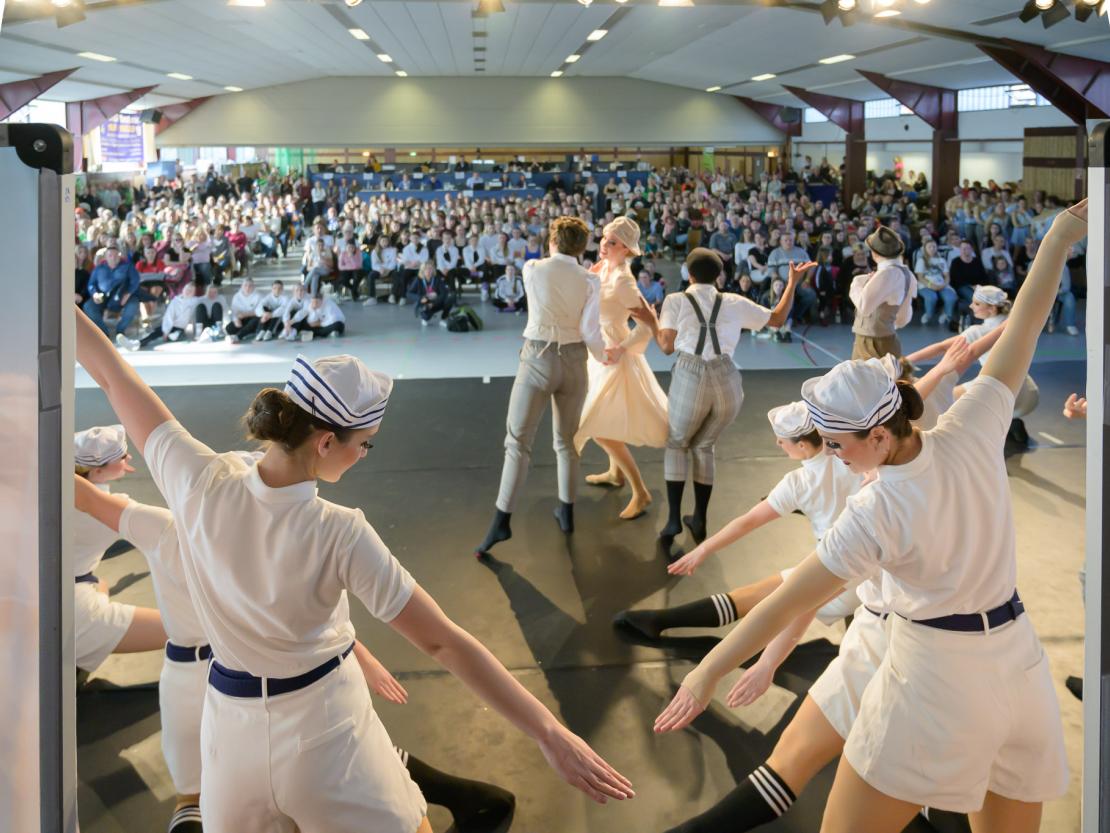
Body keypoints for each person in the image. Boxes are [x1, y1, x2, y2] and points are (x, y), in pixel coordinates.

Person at [74, 318, 635, 833]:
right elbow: (443, 640)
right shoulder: (339, 532)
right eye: (364, 443)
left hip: (230, 737)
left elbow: (108, 370)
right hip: (325, 733)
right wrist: (550, 733)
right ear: (325, 442)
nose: (364, 455)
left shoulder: (196, 479)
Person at [654, 201, 1087, 833]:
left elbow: (783, 603)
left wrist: (706, 672)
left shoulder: (876, 509)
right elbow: (1026, 321)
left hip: (936, 678)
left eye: (836, 444)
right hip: (1020, 670)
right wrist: (1062, 234)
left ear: (878, 438)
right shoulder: (973, 426)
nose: (834, 456)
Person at [632, 248, 810, 550]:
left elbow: (665, 346)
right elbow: (778, 319)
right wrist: (792, 283)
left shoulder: (676, 301)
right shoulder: (734, 301)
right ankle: (700, 518)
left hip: (691, 374)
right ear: (720, 276)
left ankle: (675, 518)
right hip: (728, 378)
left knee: (677, 443)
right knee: (705, 445)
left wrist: (651, 320)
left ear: (688, 275)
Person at [475, 216, 615, 557]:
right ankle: (566, 513)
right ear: (583, 247)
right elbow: (590, 329)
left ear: (552, 241)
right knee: (566, 443)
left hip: (538, 358)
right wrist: (603, 356)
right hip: (575, 362)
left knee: (518, 442)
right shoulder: (590, 280)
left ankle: (501, 521)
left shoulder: (533, 268)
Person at [573, 217, 668, 521]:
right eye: (604, 238)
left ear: (626, 249)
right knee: (607, 416)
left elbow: (646, 324)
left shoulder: (623, 280)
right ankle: (616, 474)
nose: (603, 244)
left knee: (597, 426)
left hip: (614, 354)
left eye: (612, 242)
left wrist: (621, 348)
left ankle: (640, 492)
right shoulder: (605, 269)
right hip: (600, 352)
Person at [72, 426, 167, 675]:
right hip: (74, 611)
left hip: (38, 593)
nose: (129, 459)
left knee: (100, 583)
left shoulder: (43, 493)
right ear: (98, 470)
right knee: (189, 629)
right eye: (122, 457)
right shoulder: (113, 509)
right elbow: (166, 528)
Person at [906, 284, 1039, 448]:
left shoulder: (978, 331)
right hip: (1028, 392)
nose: (970, 306)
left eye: (976, 304)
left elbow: (941, 347)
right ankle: (1010, 422)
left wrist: (905, 360)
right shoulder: (1016, 324)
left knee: (944, 397)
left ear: (991, 309)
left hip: (1002, 392)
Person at [848, 225, 916, 360]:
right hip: (888, 339)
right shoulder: (908, 275)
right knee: (887, 379)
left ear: (874, 253)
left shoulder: (886, 274)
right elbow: (904, 316)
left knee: (865, 380)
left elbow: (863, 306)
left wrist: (857, 282)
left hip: (871, 342)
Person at [84, 241, 141, 342]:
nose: (113, 257)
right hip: (103, 298)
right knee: (88, 306)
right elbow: (91, 284)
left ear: (119, 256)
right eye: (110, 255)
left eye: (115, 255)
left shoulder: (127, 266)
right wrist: (94, 294)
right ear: (105, 257)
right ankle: (104, 333)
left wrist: (128, 294)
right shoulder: (99, 269)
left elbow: (135, 280)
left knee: (134, 303)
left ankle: (120, 331)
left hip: (122, 296)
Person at [139, 281, 199, 349]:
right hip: (171, 325)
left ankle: (168, 338)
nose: (188, 292)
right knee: (156, 332)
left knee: (179, 337)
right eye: (187, 289)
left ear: (193, 293)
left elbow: (206, 299)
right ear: (183, 289)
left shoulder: (194, 301)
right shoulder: (176, 301)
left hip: (180, 329)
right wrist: (166, 331)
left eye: (191, 291)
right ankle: (140, 343)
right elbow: (169, 316)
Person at [407, 261, 455, 327]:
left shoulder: (437, 279)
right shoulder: (418, 280)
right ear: (423, 270)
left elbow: (444, 293)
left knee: (451, 296)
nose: (429, 270)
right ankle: (425, 317)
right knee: (426, 317)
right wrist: (420, 298)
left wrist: (433, 303)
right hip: (425, 304)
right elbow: (409, 293)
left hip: (436, 302)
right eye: (426, 268)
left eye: (431, 268)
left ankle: (444, 318)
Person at [225, 278, 263, 343]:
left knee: (254, 321)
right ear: (241, 286)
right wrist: (236, 320)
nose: (247, 288)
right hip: (241, 318)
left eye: (250, 286)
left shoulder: (258, 296)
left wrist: (246, 314)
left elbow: (260, 312)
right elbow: (234, 310)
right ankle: (247, 332)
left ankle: (239, 336)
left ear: (253, 287)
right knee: (229, 328)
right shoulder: (237, 296)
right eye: (245, 285)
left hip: (253, 317)